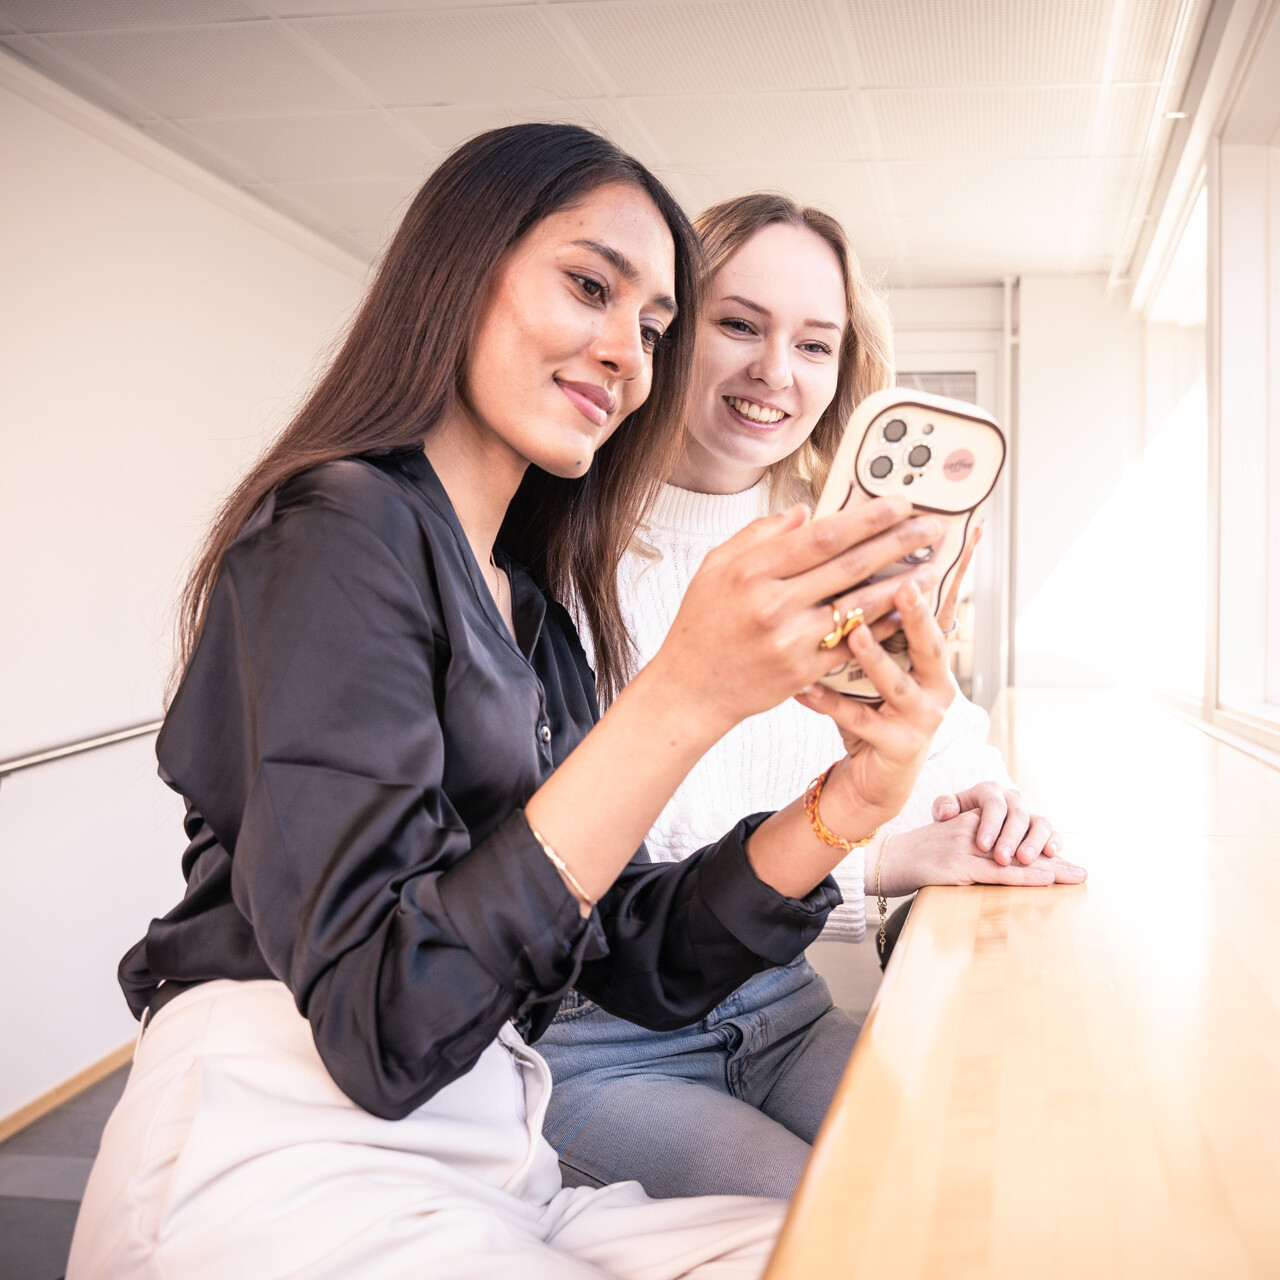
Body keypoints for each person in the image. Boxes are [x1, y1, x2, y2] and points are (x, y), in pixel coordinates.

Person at [67, 127, 958, 1280]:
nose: (626, 354)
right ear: (459, 270)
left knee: (905, 1240)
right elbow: (385, 1018)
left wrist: (846, 802)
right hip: (294, 1156)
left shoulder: (526, 603)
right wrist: (681, 696)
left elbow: (621, 956)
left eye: (649, 327)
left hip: (493, 1149)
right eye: (589, 287)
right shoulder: (336, 527)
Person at [538, 193, 1087, 1202]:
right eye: (737, 324)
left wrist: (986, 806)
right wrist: (874, 854)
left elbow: (942, 729)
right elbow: (613, 852)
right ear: (666, 326)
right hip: (601, 1043)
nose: (773, 373)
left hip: (778, 1005)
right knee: (835, 1220)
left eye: (814, 344)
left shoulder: (825, 543)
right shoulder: (555, 554)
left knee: (973, 1177)